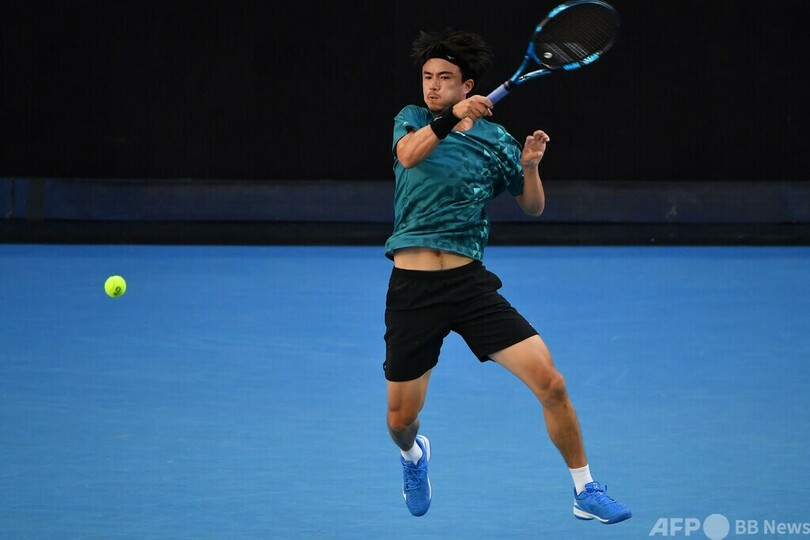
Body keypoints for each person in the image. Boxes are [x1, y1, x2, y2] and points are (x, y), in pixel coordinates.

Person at [383, 28, 632, 524]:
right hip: (413, 291)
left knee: (551, 383)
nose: (432, 86)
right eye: (427, 77)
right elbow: (409, 155)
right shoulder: (413, 121)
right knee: (401, 419)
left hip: (469, 285)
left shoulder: (497, 142)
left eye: (445, 78)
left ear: (467, 84)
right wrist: (452, 116)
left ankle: (585, 489)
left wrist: (531, 167)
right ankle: (413, 456)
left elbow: (532, 206)